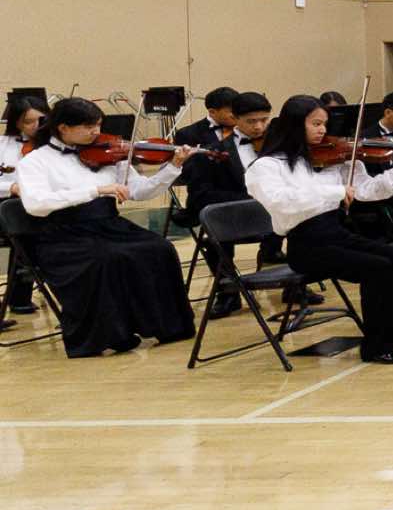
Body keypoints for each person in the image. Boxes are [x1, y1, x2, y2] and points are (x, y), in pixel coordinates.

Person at [245, 94, 393, 365]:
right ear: (294, 124)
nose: (323, 130)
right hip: (306, 244)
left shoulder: (334, 157)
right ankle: (376, 346)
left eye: (324, 124)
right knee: (377, 268)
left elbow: (369, 191)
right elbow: (281, 202)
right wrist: (335, 190)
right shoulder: (267, 166)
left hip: (337, 233)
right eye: (315, 124)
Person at [12, 97, 198, 357]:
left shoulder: (109, 153)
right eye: (89, 127)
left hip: (109, 225)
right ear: (63, 128)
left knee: (160, 248)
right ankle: (115, 335)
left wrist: (173, 167)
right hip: (61, 234)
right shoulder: (35, 161)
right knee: (107, 259)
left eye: (98, 125)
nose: (96, 132)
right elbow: (36, 204)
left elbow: (140, 191)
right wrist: (95, 190)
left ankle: (169, 326)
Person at [183, 89, 281, 318]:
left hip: (276, 214)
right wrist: (249, 201)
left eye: (264, 120)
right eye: (251, 121)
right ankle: (228, 294)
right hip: (237, 216)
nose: (259, 127)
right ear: (235, 119)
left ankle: (296, 287)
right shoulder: (213, 152)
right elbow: (200, 196)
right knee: (214, 233)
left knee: (304, 219)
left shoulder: (278, 146)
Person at [2, 92, 50, 314]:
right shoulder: (3, 145)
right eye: (27, 122)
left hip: (44, 208)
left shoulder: (53, 146)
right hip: (7, 208)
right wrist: (11, 187)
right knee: (24, 229)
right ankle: (19, 297)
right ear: (16, 123)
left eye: (40, 120)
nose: (35, 126)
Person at [175, 86, 241, 148]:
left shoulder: (244, 128)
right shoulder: (187, 134)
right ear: (212, 112)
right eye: (231, 111)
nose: (237, 114)